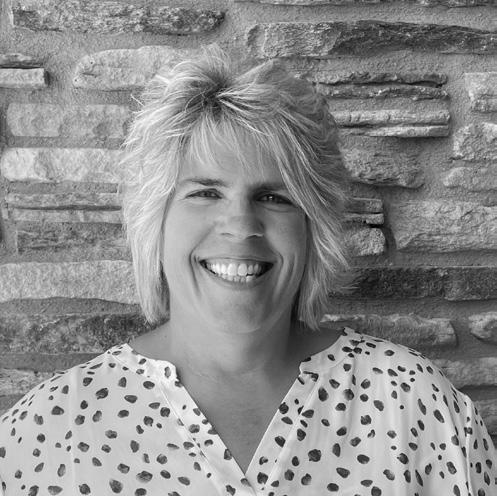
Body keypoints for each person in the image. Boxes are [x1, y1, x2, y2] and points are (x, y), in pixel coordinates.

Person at [0, 45, 495, 496]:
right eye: (205, 192)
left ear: (313, 226)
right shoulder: (47, 432)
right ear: (155, 219)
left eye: (274, 197)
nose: (240, 225)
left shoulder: (415, 406)